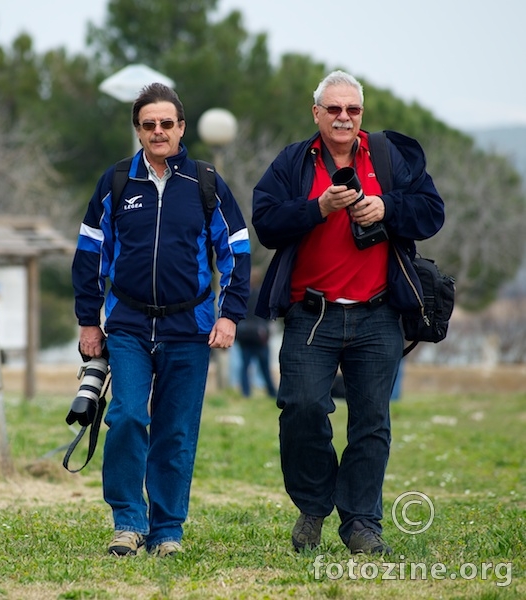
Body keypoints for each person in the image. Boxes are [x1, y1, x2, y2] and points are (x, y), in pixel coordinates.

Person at [251, 70, 444, 555]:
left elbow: (431, 212)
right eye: (333, 109)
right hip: (311, 313)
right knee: (301, 408)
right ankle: (314, 507)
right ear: (316, 113)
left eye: (352, 110)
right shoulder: (292, 162)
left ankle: (361, 523)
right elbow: (266, 223)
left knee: (371, 421)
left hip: (378, 313)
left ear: (362, 114)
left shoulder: (389, 156)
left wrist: (385, 207)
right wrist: (317, 208)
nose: (343, 117)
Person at [72, 83, 251, 558]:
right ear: (138, 129)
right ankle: (128, 523)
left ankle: (167, 530)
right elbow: (89, 254)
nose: (158, 131)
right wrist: (89, 321)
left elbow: (236, 250)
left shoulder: (206, 183)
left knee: (175, 430)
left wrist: (230, 314)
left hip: (189, 328)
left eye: (166, 124)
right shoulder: (115, 183)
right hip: (127, 324)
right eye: (148, 124)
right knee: (128, 416)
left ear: (181, 128)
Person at [234, 267, 277, 398]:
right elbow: (268, 315)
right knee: (264, 367)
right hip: (259, 337)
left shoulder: (242, 295)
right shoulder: (262, 294)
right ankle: (271, 392)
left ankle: (246, 393)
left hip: (245, 336)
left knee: (245, 367)